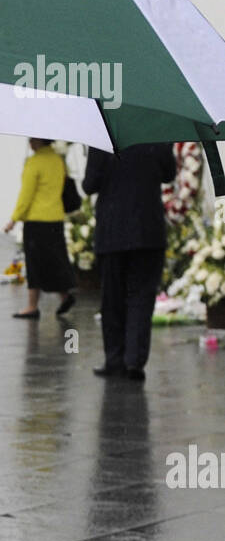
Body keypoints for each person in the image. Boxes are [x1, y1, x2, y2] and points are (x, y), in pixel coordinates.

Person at [83, 142, 177, 381]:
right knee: (141, 297)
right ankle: (134, 360)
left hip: (113, 230)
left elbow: (89, 184)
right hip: (148, 230)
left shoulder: (103, 136)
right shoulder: (155, 132)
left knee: (112, 298)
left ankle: (114, 359)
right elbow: (169, 174)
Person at [4, 138, 76, 319]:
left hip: (36, 221)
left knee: (35, 264)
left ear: (39, 140)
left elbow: (26, 195)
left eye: (32, 138)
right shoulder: (58, 160)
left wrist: (14, 219)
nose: (29, 141)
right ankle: (65, 296)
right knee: (55, 261)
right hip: (55, 219)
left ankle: (31, 306)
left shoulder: (34, 162)